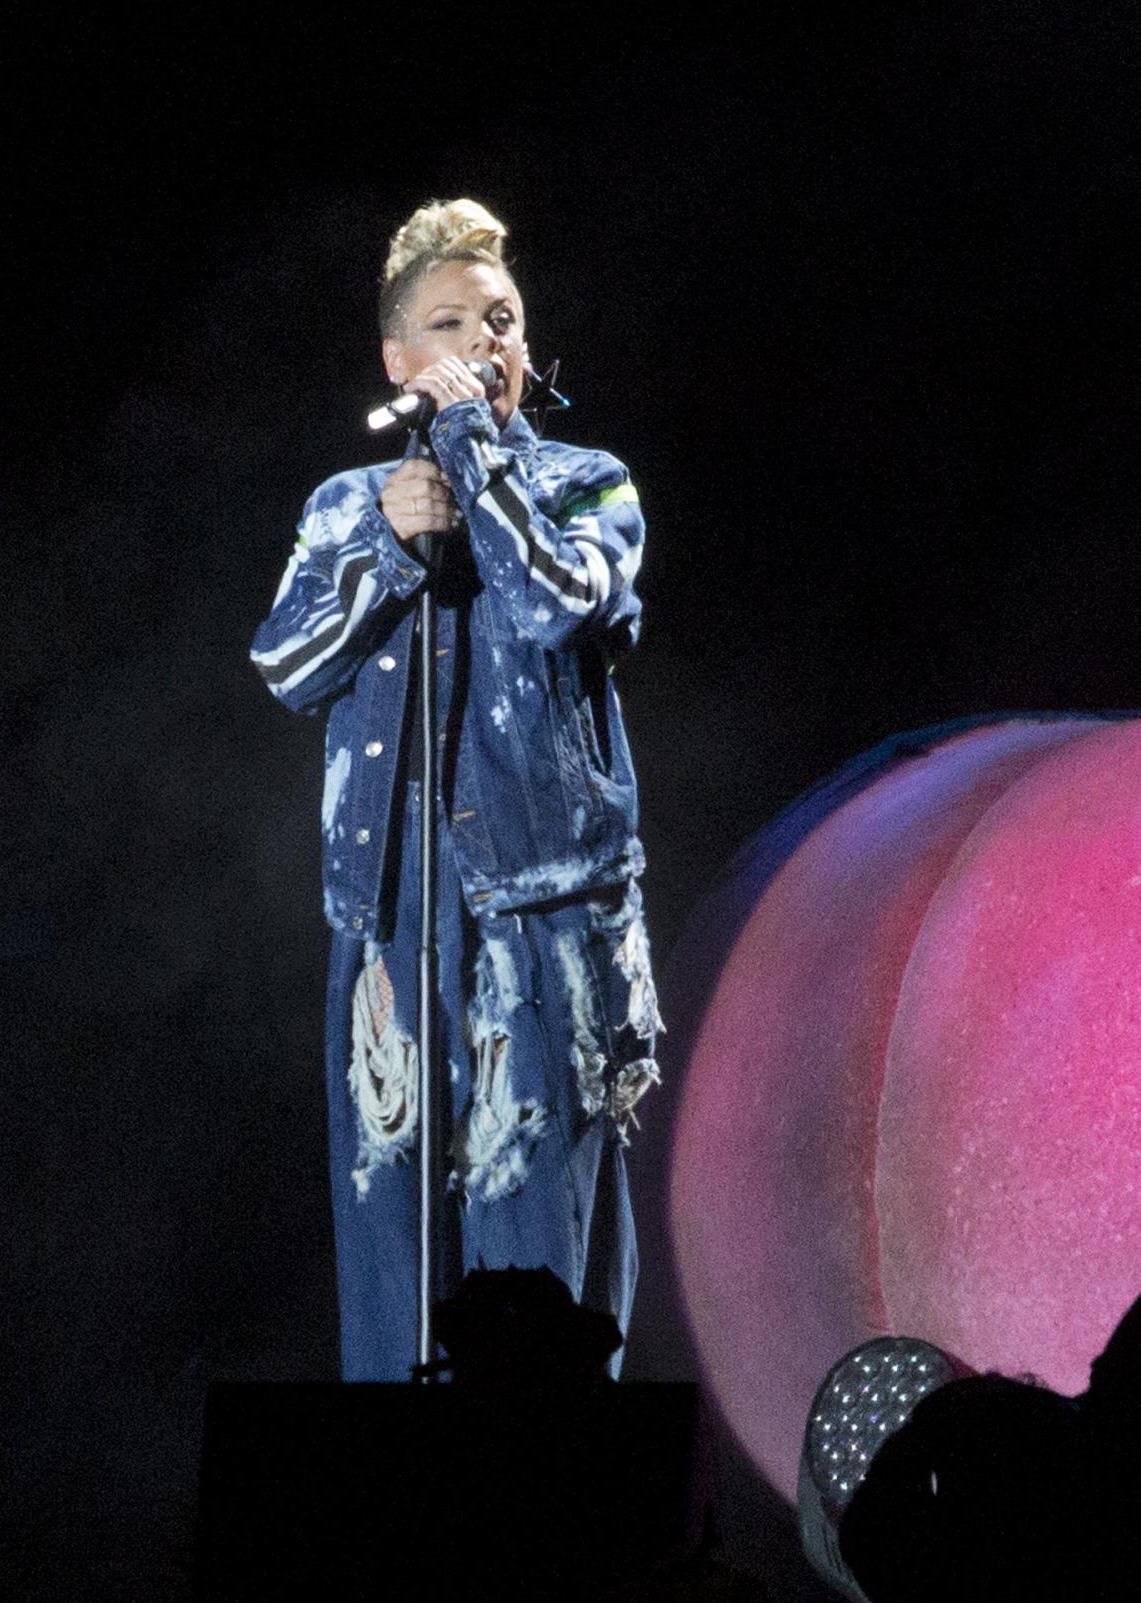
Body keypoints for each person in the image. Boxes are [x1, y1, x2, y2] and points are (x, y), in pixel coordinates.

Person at [251, 198, 657, 1379]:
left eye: (502, 321)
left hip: (541, 923)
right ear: (396, 358)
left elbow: (555, 605)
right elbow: (285, 665)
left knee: (536, 1256)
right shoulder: (346, 505)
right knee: (396, 1256)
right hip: (391, 927)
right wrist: (384, 543)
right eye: (449, 324)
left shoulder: (587, 483)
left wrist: (476, 457)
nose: (482, 344)